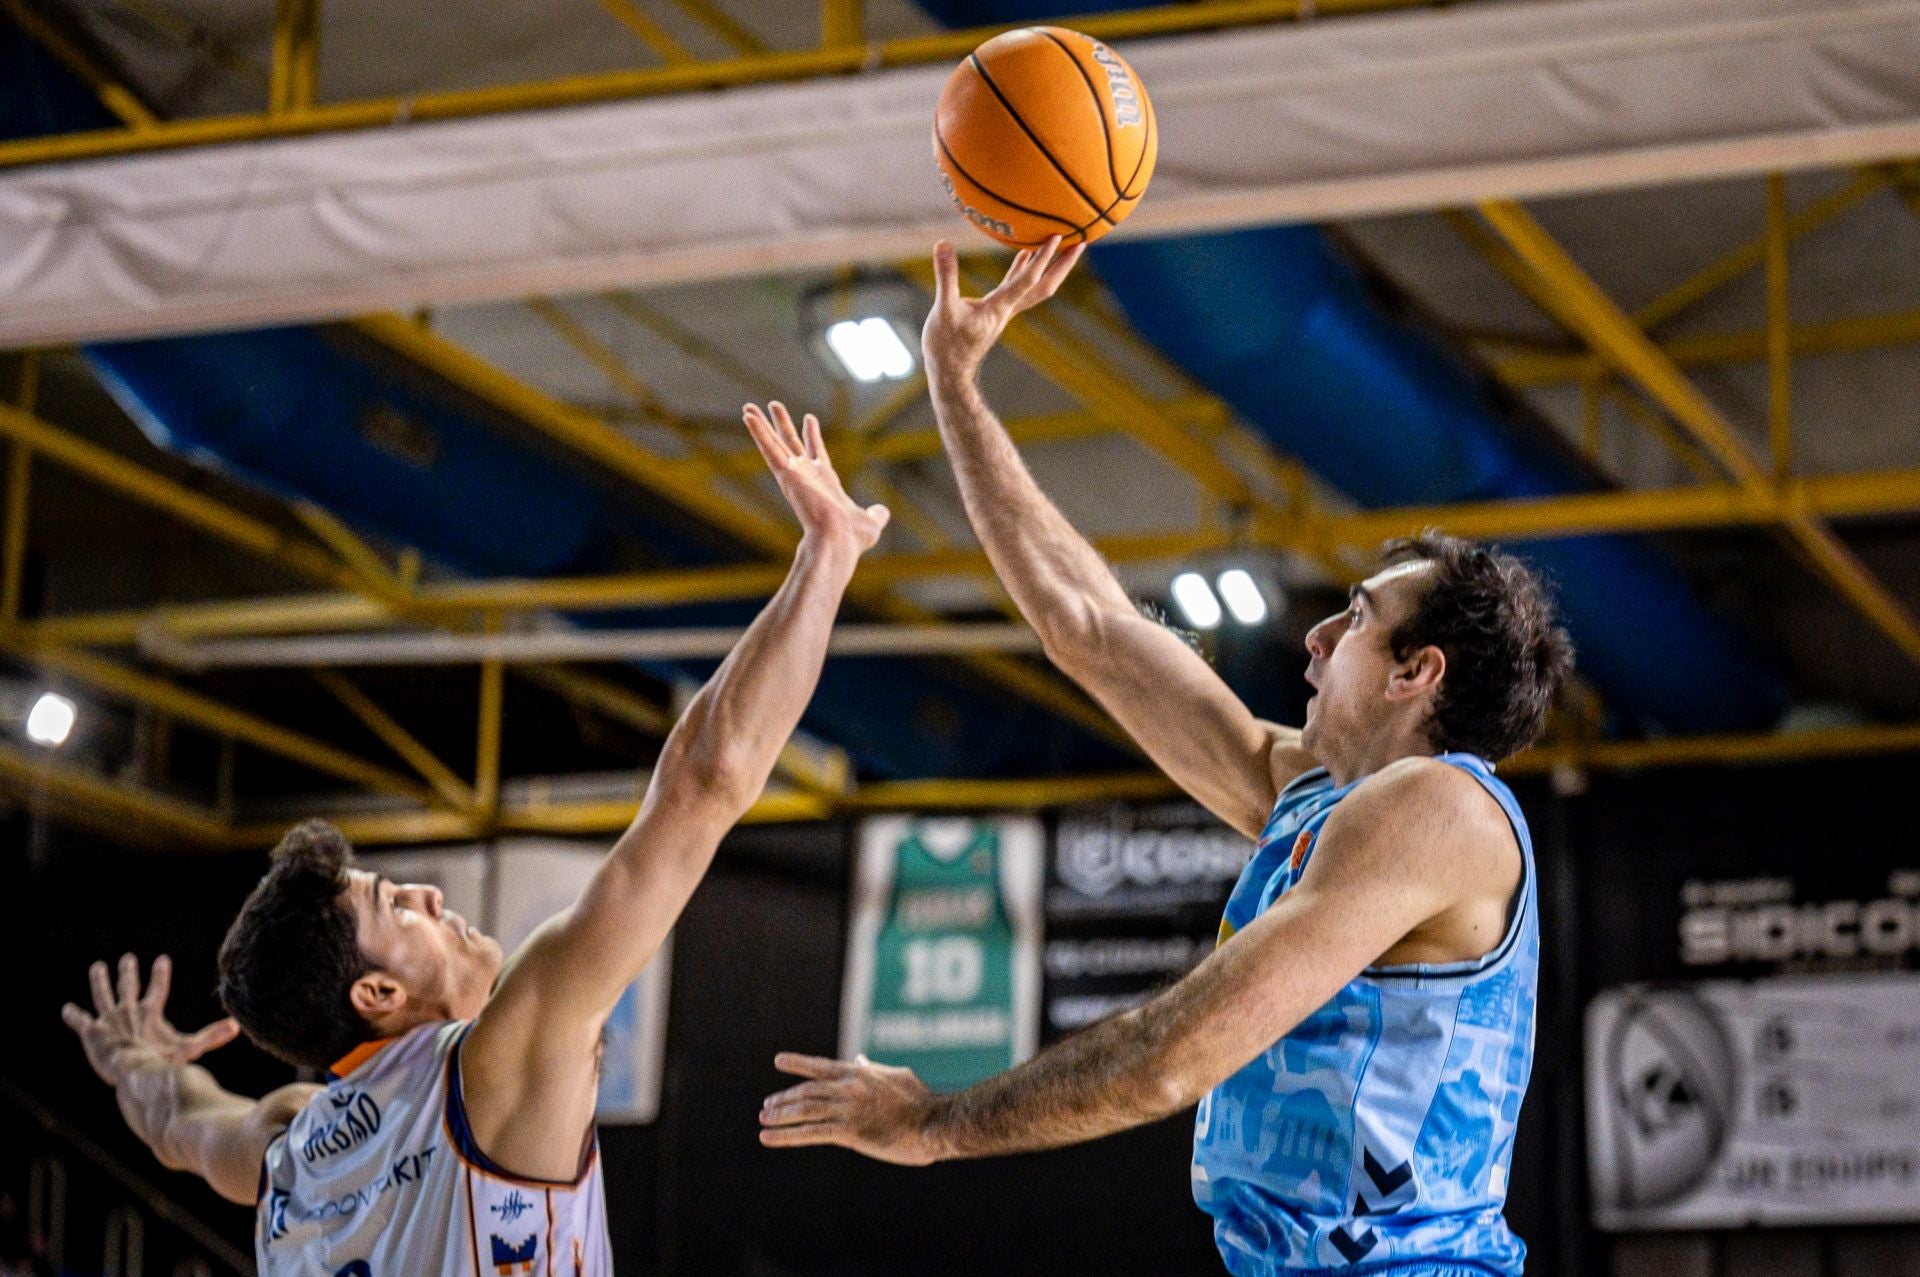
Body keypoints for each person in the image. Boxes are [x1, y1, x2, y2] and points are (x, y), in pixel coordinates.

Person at [759, 239, 1573, 1276]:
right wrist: (955, 386)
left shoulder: (1442, 810)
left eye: (1357, 619)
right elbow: (1088, 627)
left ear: (1418, 673)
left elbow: (1178, 1053)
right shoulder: (1316, 793)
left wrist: (935, 1123)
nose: (1316, 637)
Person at [61, 402, 889, 1276]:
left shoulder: (289, 1150)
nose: (425, 895)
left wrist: (134, 1064)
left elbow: (176, 1123)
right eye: (394, 905)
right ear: (377, 991)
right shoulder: (495, 1066)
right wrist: (824, 556)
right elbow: (704, 785)